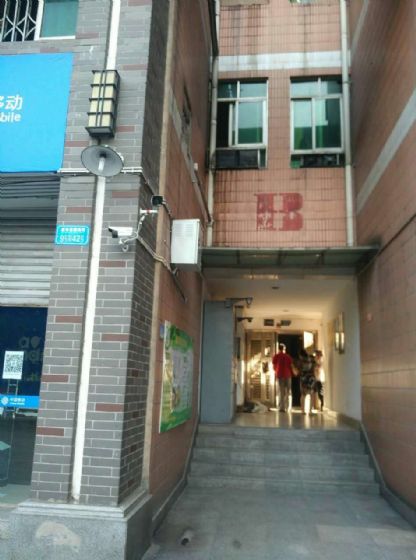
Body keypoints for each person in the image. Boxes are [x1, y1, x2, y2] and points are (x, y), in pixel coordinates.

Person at [272, 343, 294, 412]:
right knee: (288, 391)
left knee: (281, 392)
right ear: (284, 349)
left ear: (278, 349)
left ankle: (281, 408)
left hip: (279, 375)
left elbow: (274, 367)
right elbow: (291, 366)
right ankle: (288, 407)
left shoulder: (276, 356)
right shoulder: (288, 356)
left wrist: (277, 371)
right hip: (288, 375)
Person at [299, 349, 316, 414]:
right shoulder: (312, 359)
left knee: (303, 394)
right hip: (311, 378)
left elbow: (299, 370)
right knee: (311, 394)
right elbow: (314, 367)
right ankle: (310, 411)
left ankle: (303, 411)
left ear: (301, 355)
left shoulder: (301, 361)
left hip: (304, 378)